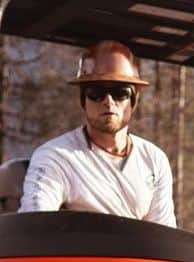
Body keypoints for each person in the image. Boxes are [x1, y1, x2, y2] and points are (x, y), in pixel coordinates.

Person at [19, 40, 175, 226]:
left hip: (135, 255)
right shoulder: (55, 157)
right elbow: (34, 222)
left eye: (120, 93)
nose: (108, 102)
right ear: (83, 100)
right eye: (96, 92)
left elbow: (163, 235)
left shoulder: (154, 160)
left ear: (133, 101)